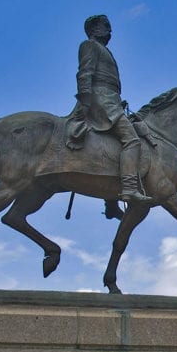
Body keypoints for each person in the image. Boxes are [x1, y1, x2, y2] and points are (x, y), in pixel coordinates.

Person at [68, 14, 149, 216]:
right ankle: (130, 188)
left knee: (112, 145)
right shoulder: (89, 46)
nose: (110, 30)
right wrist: (86, 103)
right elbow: (84, 74)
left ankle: (110, 204)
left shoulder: (106, 51)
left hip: (111, 101)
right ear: (93, 29)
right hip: (100, 102)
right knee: (132, 141)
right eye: (105, 26)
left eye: (110, 27)